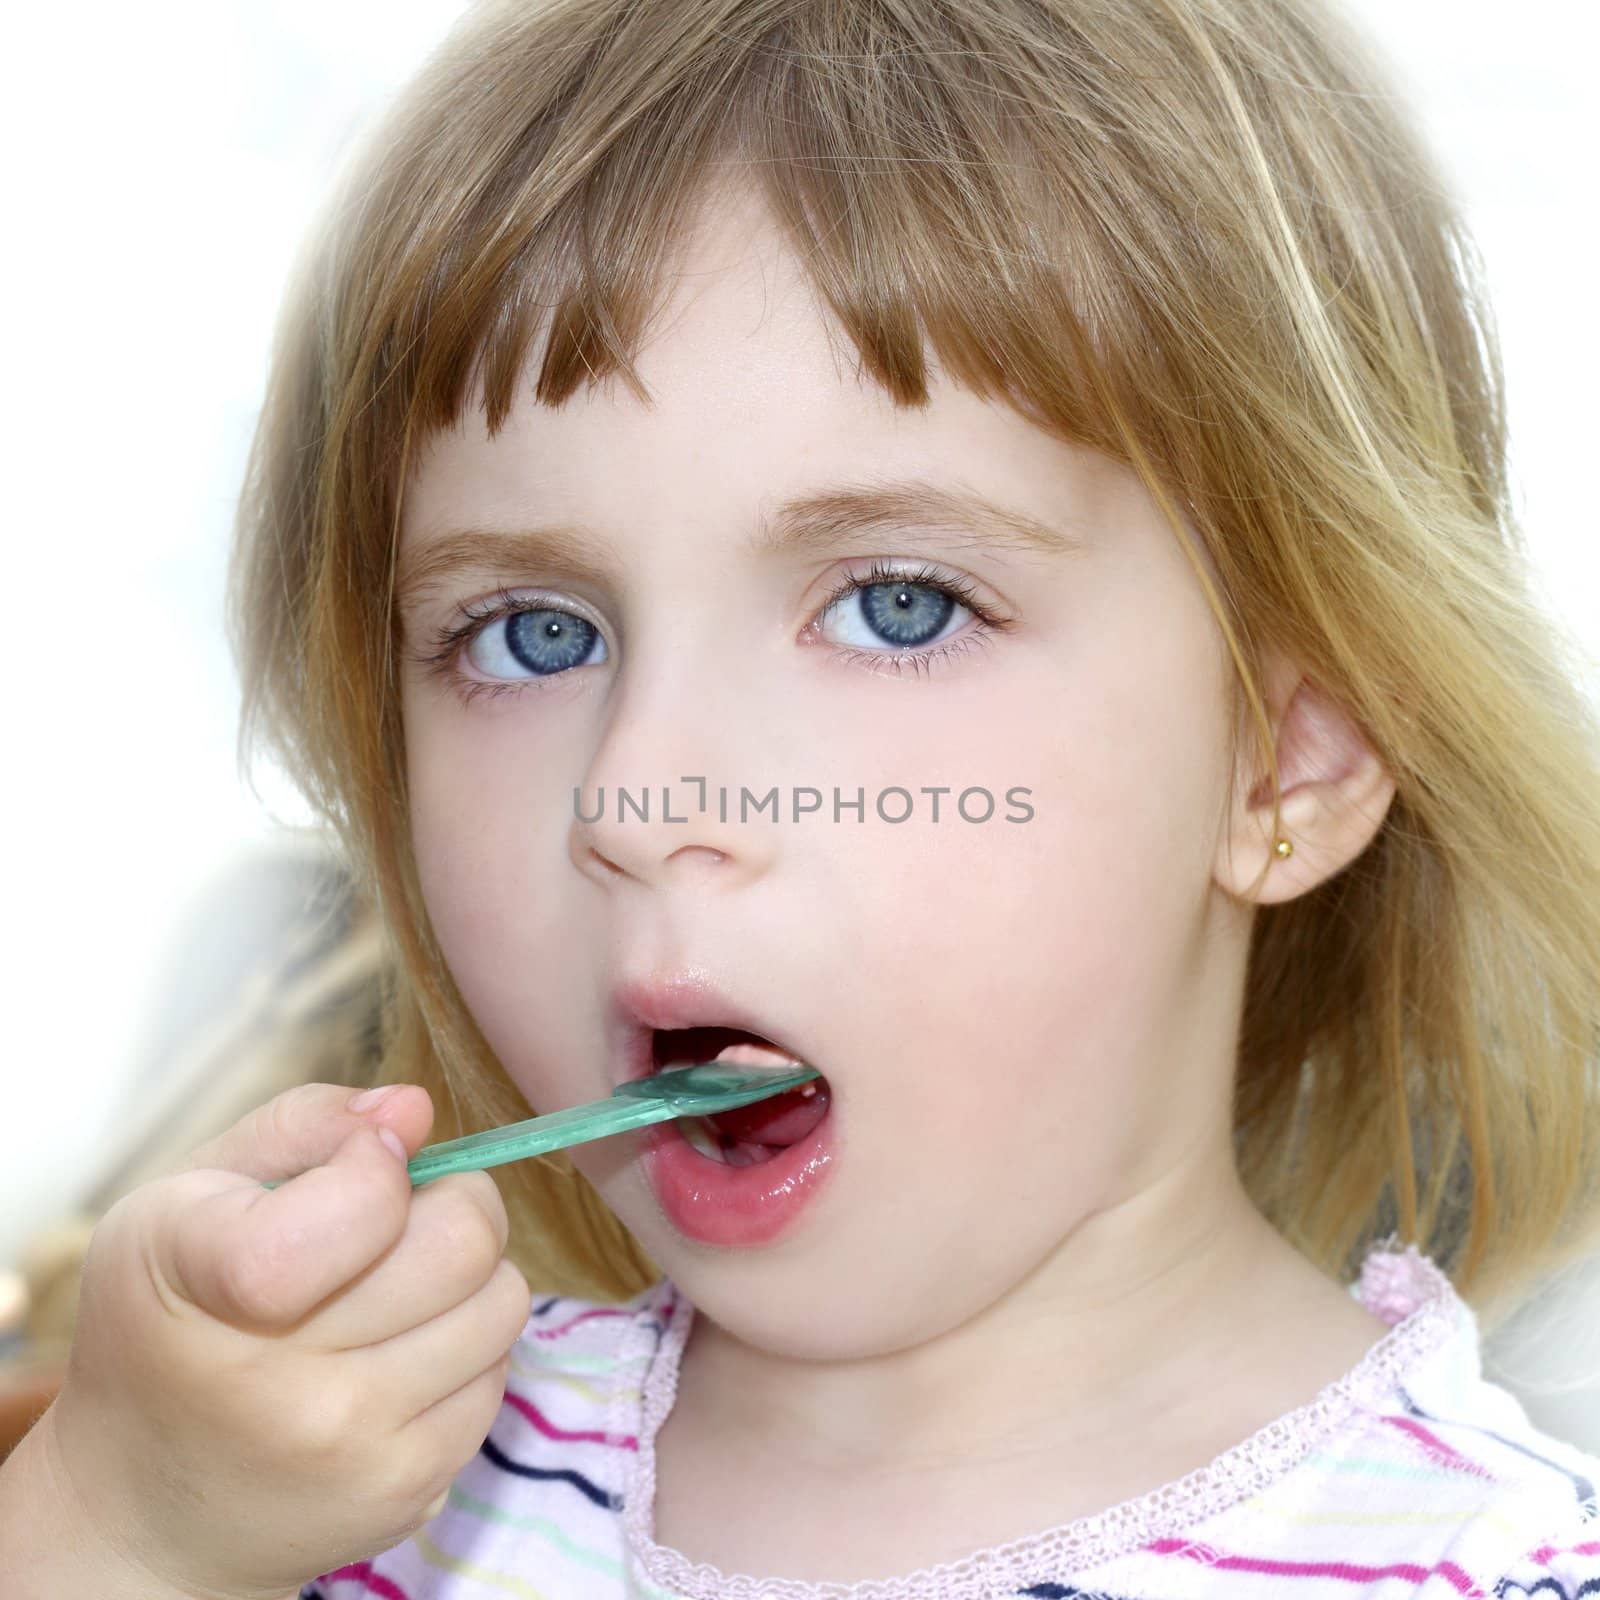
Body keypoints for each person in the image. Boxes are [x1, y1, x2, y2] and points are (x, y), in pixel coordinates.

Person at [5, 0, 1600, 1594]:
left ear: (1286, 758)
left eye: (897, 607)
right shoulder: (329, 1491)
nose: (633, 793)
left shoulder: (1492, 1568)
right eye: (533, 635)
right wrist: (121, 1529)